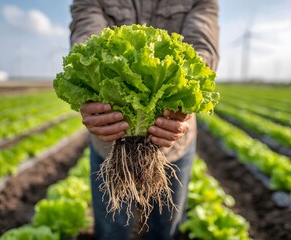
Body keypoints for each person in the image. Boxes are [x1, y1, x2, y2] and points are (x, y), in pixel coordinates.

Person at [70, 0, 219, 239]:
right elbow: (87, 41)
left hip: (173, 140)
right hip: (109, 141)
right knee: (111, 229)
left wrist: (187, 97)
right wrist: (91, 94)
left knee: (164, 229)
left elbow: (202, 45)